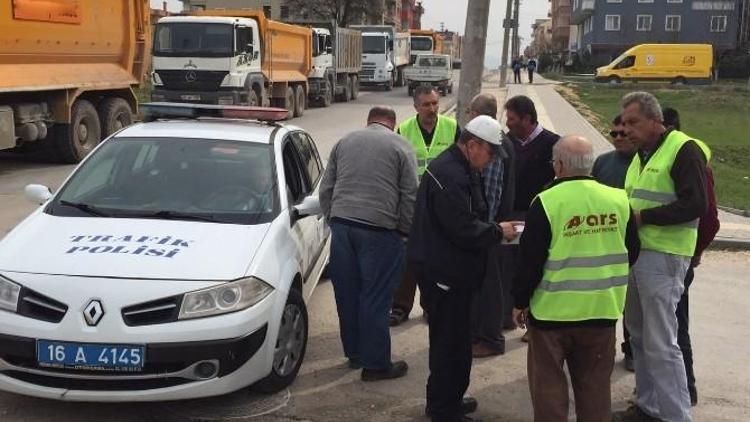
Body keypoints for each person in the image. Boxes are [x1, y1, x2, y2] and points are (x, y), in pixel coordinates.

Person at [512, 135, 641, 421]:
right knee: (595, 391)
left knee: (549, 390)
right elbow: (632, 252)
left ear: (558, 165)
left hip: (551, 316)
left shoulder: (545, 202)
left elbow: (529, 262)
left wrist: (519, 302)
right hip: (601, 312)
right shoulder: (619, 200)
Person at [408, 115, 515, 422]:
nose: (493, 159)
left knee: (455, 342)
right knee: (450, 346)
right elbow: (463, 228)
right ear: (472, 145)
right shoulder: (451, 175)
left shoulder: (462, 168)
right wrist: (498, 231)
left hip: (453, 272)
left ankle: (449, 398)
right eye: (491, 152)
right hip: (445, 275)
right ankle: (444, 409)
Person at [613, 92, 709, 422]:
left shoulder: (684, 149)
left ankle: (675, 415)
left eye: (633, 122)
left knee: (661, 342)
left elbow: (696, 204)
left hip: (665, 256)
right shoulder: (643, 154)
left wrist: (644, 217)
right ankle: (648, 406)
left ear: (656, 121)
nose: (626, 129)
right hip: (640, 254)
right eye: (623, 123)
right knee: (638, 335)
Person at [319, 106, 418, 381]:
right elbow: (410, 194)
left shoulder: (345, 142)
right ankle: (375, 365)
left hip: (343, 227)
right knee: (375, 298)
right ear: (392, 123)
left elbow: (326, 188)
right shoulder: (401, 146)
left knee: (347, 294)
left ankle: (355, 354)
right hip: (379, 231)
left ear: (369, 121)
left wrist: (334, 220)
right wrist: (404, 232)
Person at [662, 107, 720, 406]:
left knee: (675, 328)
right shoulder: (648, 159)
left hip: (675, 258)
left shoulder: (690, 160)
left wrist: (695, 252)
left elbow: (709, 220)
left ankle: (686, 389)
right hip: (657, 257)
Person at [389, 85, 460, 327]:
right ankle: (400, 306)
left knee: (437, 259)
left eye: (435, 103)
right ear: (416, 107)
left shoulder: (452, 127)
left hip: (443, 206)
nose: (432, 109)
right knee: (409, 258)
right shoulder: (405, 129)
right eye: (426, 105)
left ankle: (431, 306)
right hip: (413, 205)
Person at [504, 95, 561, 342]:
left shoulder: (553, 143)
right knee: (510, 269)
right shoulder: (506, 142)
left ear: (528, 119)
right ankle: (510, 314)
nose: (508, 123)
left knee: (536, 267)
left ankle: (533, 323)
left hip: (541, 217)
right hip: (511, 215)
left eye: (512, 119)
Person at [466, 94, 519, 358]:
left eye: (470, 112)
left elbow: (491, 191)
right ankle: (494, 328)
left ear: (477, 114)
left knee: (489, 285)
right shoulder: (498, 140)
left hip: (490, 228)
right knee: (493, 280)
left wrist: (484, 229)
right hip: (493, 227)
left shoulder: (494, 144)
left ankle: (490, 338)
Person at [592, 114, 638, 371]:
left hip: (631, 241)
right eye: (614, 134)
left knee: (631, 305)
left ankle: (631, 349)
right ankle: (602, 349)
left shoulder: (642, 162)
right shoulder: (602, 163)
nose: (619, 138)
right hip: (603, 242)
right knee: (606, 300)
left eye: (624, 133)